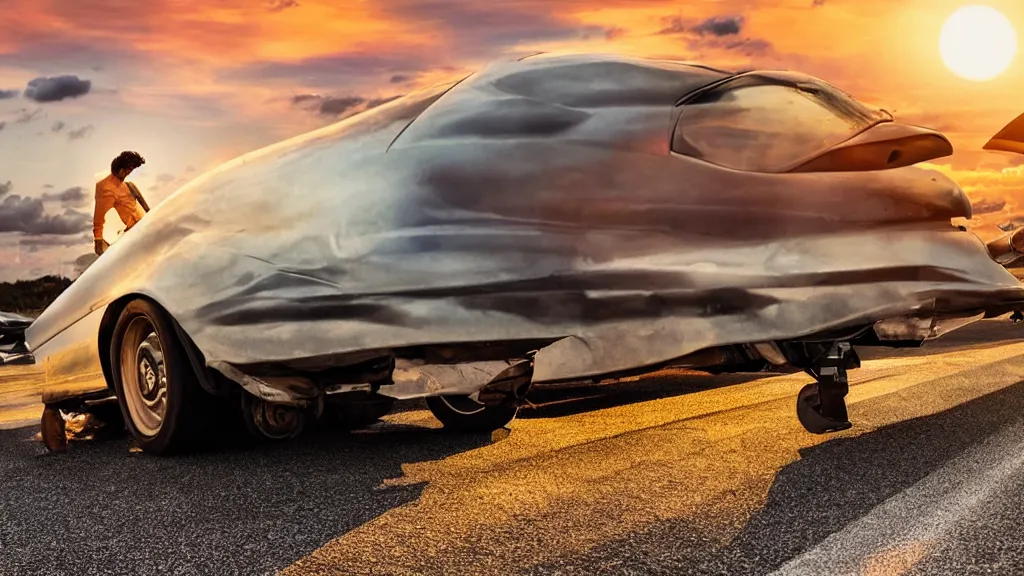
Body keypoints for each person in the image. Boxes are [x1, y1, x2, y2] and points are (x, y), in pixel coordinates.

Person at [93, 151, 150, 256]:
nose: (128, 173)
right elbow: (99, 217)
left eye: (130, 170)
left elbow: (148, 210)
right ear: (120, 169)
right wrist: (98, 240)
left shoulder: (129, 186)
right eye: (127, 170)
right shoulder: (106, 188)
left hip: (145, 227)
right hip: (132, 234)